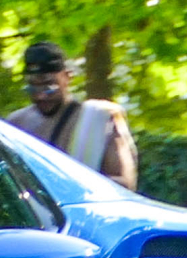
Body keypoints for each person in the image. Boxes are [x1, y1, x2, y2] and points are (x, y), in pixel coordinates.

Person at [7, 40, 137, 190]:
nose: (41, 96)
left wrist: (64, 184)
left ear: (68, 77)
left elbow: (125, 184)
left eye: (49, 86)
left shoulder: (99, 118)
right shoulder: (17, 123)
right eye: (33, 88)